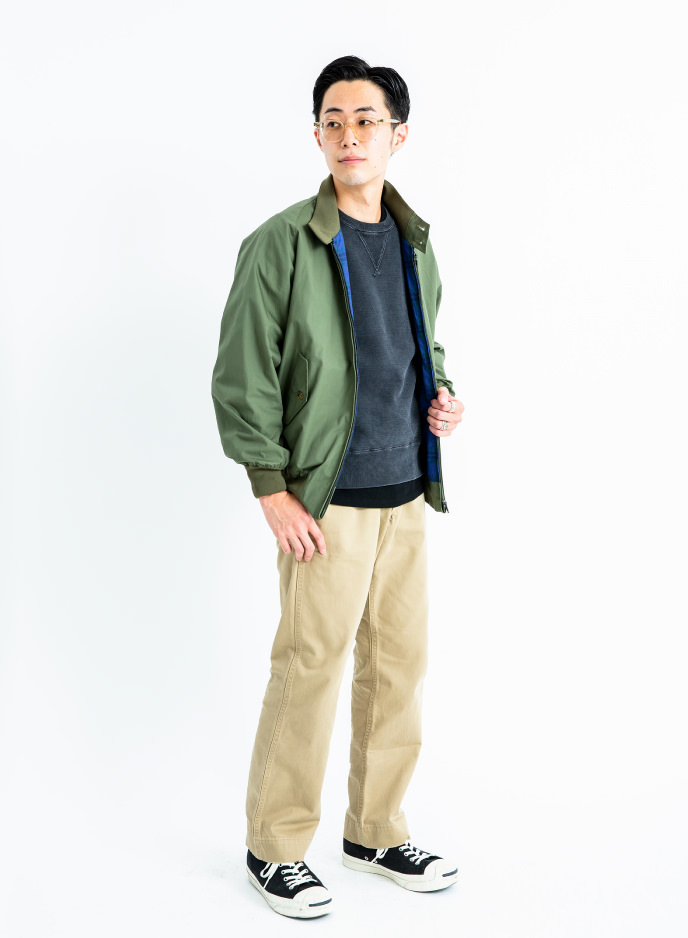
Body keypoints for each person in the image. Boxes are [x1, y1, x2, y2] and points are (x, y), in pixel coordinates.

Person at [211, 55, 465, 919]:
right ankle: (274, 847)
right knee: (309, 670)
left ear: (399, 135)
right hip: (326, 503)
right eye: (333, 121)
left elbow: (419, 345)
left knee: (398, 670)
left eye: (366, 120)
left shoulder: (414, 242)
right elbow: (243, 374)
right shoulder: (281, 242)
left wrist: (443, 394)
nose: (349, 135)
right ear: (317, 135)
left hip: (407, 492)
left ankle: (375, 831)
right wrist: (270, 487)